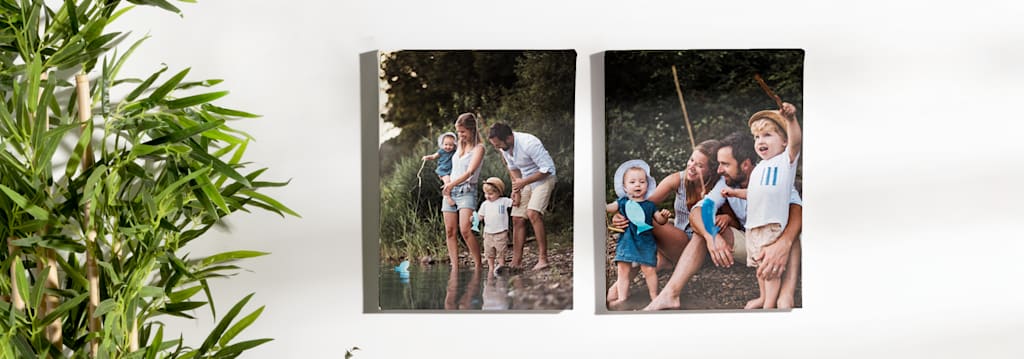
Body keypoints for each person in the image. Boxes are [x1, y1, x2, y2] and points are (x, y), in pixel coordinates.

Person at [644, 130, 803, 310]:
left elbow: (798, 209)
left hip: (775, 239)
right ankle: (670, 295)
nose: (719, 170)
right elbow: (699, 210)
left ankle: (786, 296)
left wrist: (783, 243)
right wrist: (711, 236)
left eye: (725, 164)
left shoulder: (772, 175)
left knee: (792, 236)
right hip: (750, 241)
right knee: (705, 230)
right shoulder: (725, 183)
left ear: (745, 165)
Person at [606, 140, 723, 304]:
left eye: (700, 165)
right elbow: (641, 204)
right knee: (644, 221)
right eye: (691, 160)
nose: (691, 167)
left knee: (647, 224)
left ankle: (621, 285)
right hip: (678, 239)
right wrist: (619, 215)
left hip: (697, 246)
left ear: (713, 169)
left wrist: (726, 218)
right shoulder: (678, 179)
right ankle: (630, 279)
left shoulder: (720, 185)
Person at [731, 102, 802, 309]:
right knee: (759, 266)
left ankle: (769, 303)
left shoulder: (784, 162)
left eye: (767, 135)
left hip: (771, 224)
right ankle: (763, 296)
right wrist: (735, 193)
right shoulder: (759, 167)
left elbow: (796, 142)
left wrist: (790, 119)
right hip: (753, 225)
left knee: (769, 268)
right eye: (757, 137)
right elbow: (754, 194)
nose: (760, 141)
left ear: (784, 142)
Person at [487, 123, 556, 271]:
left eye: (498, 144)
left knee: (533, 213)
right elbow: (513, 169)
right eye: (495, 145)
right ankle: (516, 262)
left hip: (544, 179)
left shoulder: (529, 143)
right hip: (525, 180)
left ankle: (543, 259)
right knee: (517, 217)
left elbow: (547, 169)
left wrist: (523, 182)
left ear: (509, 138)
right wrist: (516, 190)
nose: (497, 148)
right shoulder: (504, 147)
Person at [606, 160, 665, 307]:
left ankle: (654, 296)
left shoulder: (650, 205)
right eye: (632, 182)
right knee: (623, 271)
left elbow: (660, 220)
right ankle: (622, 297)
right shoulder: (622, 202)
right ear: (625, 187)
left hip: (645, 243)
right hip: (627, 242)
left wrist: (663, 215)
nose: (638, 185)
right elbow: (609, 207)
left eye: (642, 181)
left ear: (647, 185)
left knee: (649, 270)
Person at [441, 113, 485, 269]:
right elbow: (444, 161)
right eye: (458, 132)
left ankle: (479, 266)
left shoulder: (479, 148)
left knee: (465, 230)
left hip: (466, 191)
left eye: (463, 131)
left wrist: (451, 185)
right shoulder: (458, 144)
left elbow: (470, 172)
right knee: (450, 231)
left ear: (472, 129)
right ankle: (455, 267)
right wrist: (446, 180)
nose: (460, 135)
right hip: (450, 191)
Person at [478, 177, 513, 276]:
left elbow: (514, 202)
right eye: (486, 194)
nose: (487, 196)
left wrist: (515, 193)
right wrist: (474, 219)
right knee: (489, 252)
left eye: (490, 194)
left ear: (499, 192)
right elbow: (481, 215)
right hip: (488, 232)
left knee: (501, 250)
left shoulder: (503, 201)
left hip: (501, 231)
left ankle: (501, 265)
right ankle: (491, 267)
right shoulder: (485, 204)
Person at [422, 132, 457, 206]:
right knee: (448, 181)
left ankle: (445, 185)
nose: (448, 147)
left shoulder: (454, 152)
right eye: (446, 144)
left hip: (450, 171)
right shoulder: (441, 151)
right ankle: (447, 196)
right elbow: (433, 156)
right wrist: (427, 157)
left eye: (450, 145)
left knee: (451, 181)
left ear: (454, 145)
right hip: (443, 170)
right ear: (442, 144)